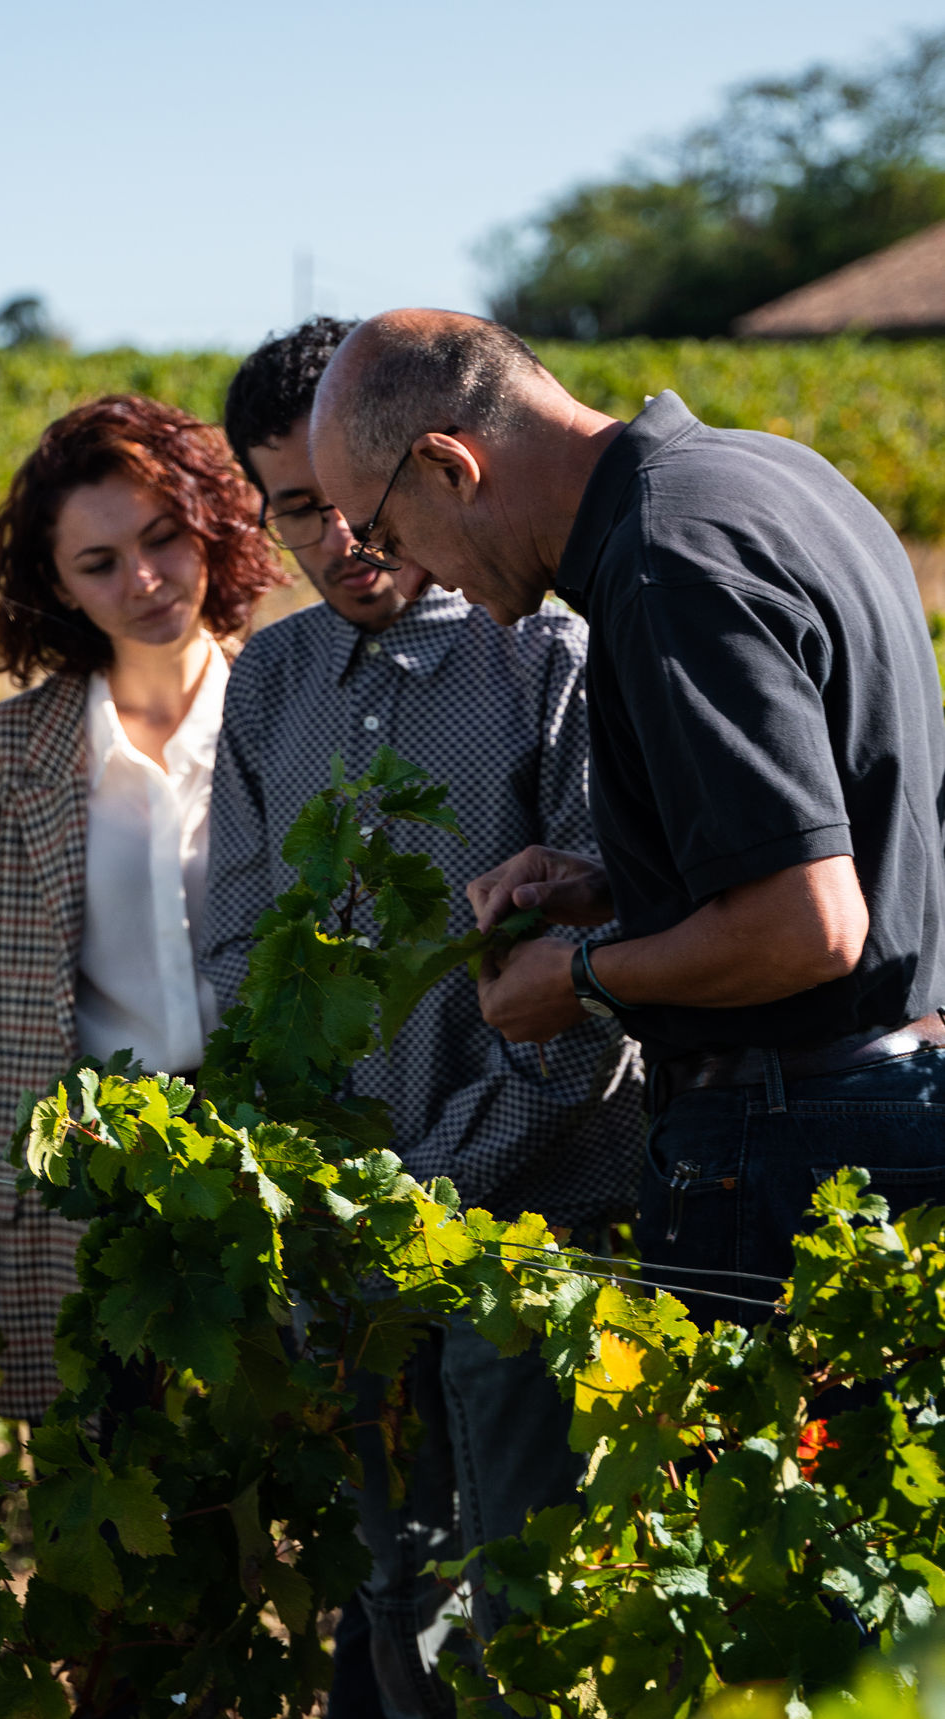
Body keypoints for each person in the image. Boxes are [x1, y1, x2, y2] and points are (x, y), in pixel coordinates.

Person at [210, 321, 641, 1719]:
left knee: (525, 1581)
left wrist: (447, 1185)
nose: (334, 543)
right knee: (392, 1584)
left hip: (536, 1219)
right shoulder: (269, 683)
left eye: (343, 504)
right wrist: (323, 1187)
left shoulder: (547, 656)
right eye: (287, 512)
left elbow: (596, 982)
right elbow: (244, 949)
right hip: (355, 1231)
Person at [309, 310, 945, 1323]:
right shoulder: (764, 475)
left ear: (447, 465)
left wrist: (578, 977)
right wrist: (620, 883)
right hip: (885, 1105)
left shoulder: (665, 563)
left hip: (790, 1143)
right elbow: (845, 817)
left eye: (385, 533)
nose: (405, 572)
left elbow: (808, 927)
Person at [0, 394, 281, 1719]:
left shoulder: (297, 707)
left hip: (270, 1200)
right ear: (51, 589)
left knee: (281, 1536)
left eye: (163, 536)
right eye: (98, 561)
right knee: (119, 1561)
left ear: (212, 522)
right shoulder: (8, 757)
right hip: (84, 1210)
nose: (146, 578)